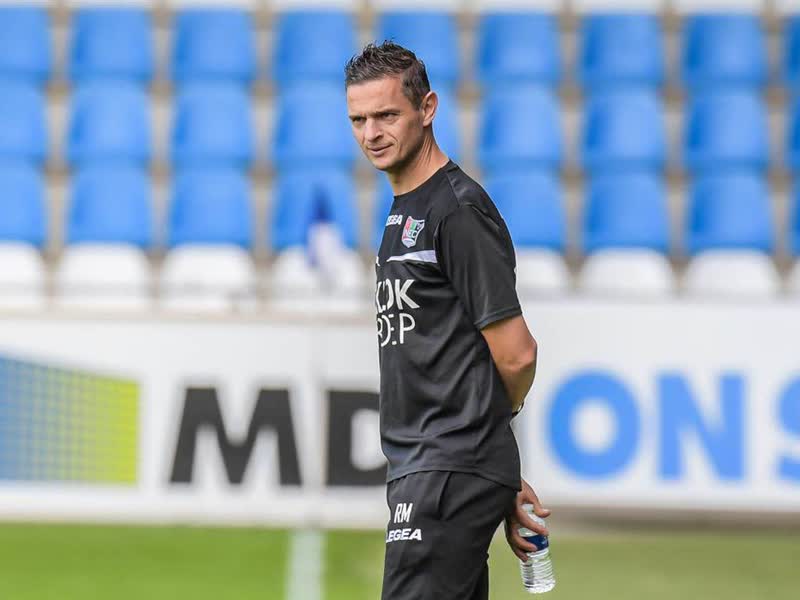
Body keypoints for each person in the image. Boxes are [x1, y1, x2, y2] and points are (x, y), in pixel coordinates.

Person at [344, 41, 550, 599]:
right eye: (359, 120)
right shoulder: (405, 210)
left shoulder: (456, 210)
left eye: (387, 115)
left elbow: (517, 354)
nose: (372, 133)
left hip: (442, 471)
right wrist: (488, 462)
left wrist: (481, 445)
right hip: (439, 469)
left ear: (427, 108)